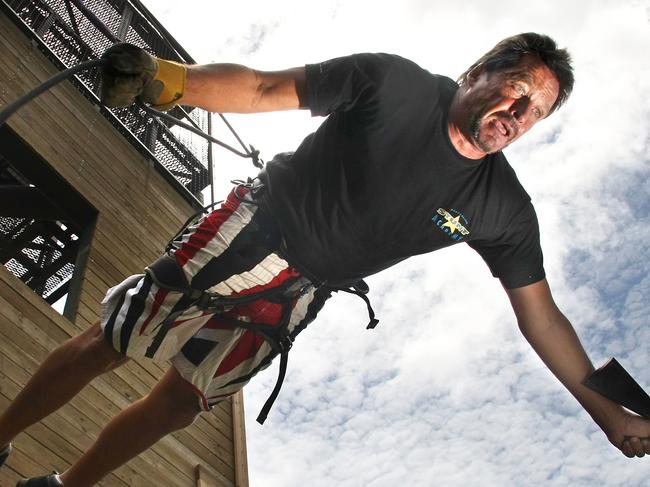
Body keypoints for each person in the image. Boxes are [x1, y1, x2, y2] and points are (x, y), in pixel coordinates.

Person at [1, 32, 649, 486]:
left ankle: (63, 485)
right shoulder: (393, 82)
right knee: (114, 339)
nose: (515, 113)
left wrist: (608, 413)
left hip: (299, 292)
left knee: (180, 403)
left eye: (532, 113)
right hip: (255, 225)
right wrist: (167, 81)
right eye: (514, 90)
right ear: (477, 71)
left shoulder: (503, 208)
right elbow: (261, 87)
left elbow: (543, 318)